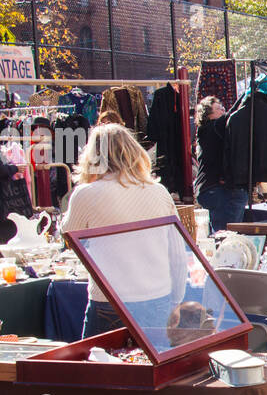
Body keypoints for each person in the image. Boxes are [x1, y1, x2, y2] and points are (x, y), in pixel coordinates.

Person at [62, 123, 179, 338]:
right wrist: (176, 300)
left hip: (111, 299)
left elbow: (69, 237)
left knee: (102, 368)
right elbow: (177, 252)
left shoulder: (86, 194)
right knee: (153, 369)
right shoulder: (158, 191)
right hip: (157, 296)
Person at [193, 96, 238, 232]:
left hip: (207, 188)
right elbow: (231, 114)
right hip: (213, 188)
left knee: (218, 232)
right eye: (219, 108)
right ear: (209, 114)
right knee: (223, 234)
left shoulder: (207, 130)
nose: (223, 110)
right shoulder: (212, 127)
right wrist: (247, 96)